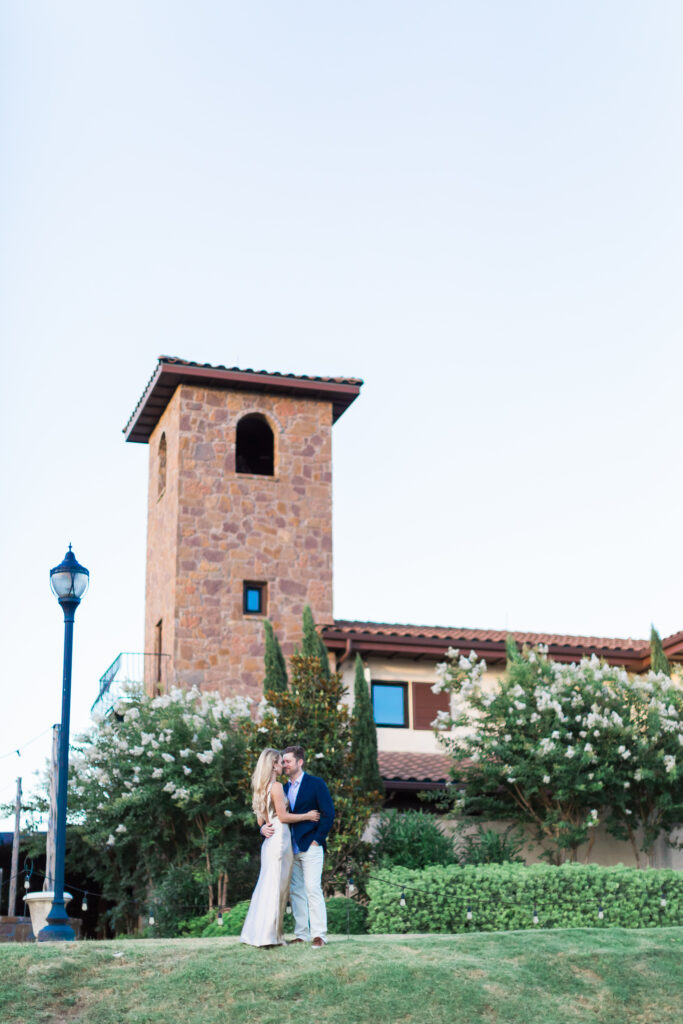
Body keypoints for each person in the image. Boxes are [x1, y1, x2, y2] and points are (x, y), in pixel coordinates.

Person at [240, 748, 320, 948]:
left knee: (267, 886)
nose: (282, 765)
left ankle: (257, 934)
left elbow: (261, 820)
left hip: (270, 840)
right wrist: (307, 816)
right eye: (279, 762)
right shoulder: (275, 786)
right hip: (280, 839)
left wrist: (263, 829)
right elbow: (283, 817)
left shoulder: (261, 787)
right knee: (277, 888)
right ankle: (269, 936)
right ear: (273, 765)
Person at [282, 745, 335, 948]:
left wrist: (317, 839)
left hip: (311, 845)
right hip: (290, 848)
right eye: (283, 761)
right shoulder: (283, 788)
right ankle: (301, 934)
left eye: (288, 761)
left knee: (312, 888)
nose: (284, 765)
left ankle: (319, 934)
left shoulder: (316, 784)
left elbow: (328, 813)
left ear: (300, 762)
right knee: (296, 891)